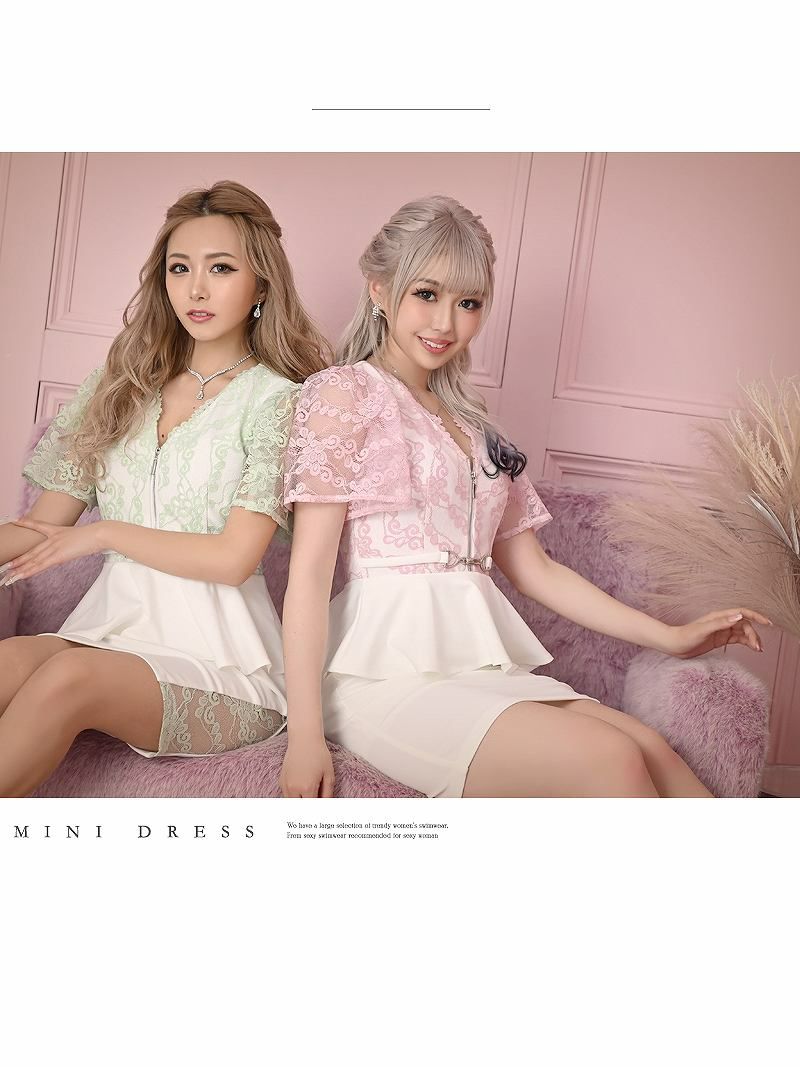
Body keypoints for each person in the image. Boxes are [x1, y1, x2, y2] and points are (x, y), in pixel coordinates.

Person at [279, 194, 771, 799]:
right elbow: (308, 575)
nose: (445, 324)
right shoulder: (344, 394)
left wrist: (670, 637)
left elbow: (536, 569)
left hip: (479, 669)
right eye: (426, 294)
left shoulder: (474, 424)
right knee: (612, 757)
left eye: (468, 303)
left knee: (655, 752)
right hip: (383, 678)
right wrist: (304, 737)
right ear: (379, 289)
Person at [0, 180, 328, 797]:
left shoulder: (279, 400)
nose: (196, 289)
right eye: (180, 268)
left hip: (225, 668)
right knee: (11, 662)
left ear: (262, 285)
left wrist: (104, 533)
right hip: (105, 634)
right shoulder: (122, 383)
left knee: (69, 677)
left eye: (221, 268)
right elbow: (41, 528)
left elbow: (234, 559)